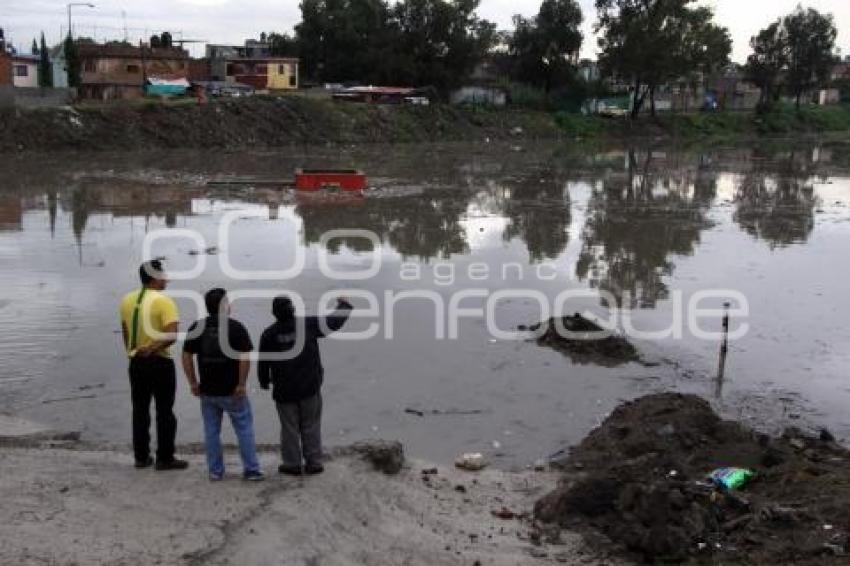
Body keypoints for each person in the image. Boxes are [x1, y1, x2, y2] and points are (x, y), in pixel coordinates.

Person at [258, 295, 353, 476]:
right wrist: (344, 304)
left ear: (273, 313)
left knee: (289, 428)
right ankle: (314, 462)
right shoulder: (307, 325)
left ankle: (292, 464)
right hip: (310, 388)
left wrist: (263, 381)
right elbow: (333, 322)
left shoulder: (269, 334)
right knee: (311, 425)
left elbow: (263, 362)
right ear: (293, 310)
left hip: (284, 391)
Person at [182, 289, 264, 482]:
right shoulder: (236, 327)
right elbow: (245, 357)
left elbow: (186, 356)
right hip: (232, 390)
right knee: (244, 428)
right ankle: (251, 469)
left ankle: (215, 471)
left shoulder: (198, 326)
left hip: (208, 390)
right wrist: (242, 383)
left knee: (211, 431)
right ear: (225, 306)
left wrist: (193, 382)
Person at [118, 260, 188, 471]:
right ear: (154, 278)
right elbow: (171, 334)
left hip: (136, 362)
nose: (166, 279)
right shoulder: (163, 301)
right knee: (164, 411)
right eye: (163, 275)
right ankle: (165, 457)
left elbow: (126, 332)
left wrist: (132, 352)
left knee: (140, 410)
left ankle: (141, 456)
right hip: (159, 362)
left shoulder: (127, 300)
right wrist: (152, 348)